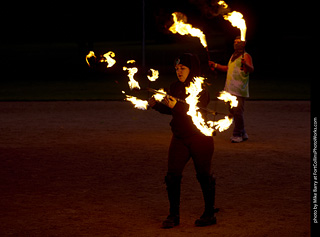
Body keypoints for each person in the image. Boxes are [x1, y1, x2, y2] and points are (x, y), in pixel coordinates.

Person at [148, 53, 217, 228]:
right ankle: (173, 215)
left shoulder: (201, 89)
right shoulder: (174, 86)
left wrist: (175, 105)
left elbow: (190, 112)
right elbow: (173, 111)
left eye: (183, 68)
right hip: (179, 138)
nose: (179, 71)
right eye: (177, 68)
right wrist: (157, 106)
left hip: (199, 138)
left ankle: (209, 214)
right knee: (172, 176)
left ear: (191, 69)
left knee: (203, 176)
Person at [209, 36, 254, 143]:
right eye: (234, 42)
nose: (235, 44)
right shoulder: (233, 56)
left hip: (239, 89)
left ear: (243, 44)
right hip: (229, 89)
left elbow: (251, 69)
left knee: (238, 112)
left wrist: (246, 64)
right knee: (232, 111)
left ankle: (237, 135)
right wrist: (215, 65)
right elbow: (228, 68)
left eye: (238, 42)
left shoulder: (246, 56)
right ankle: (243, 132)